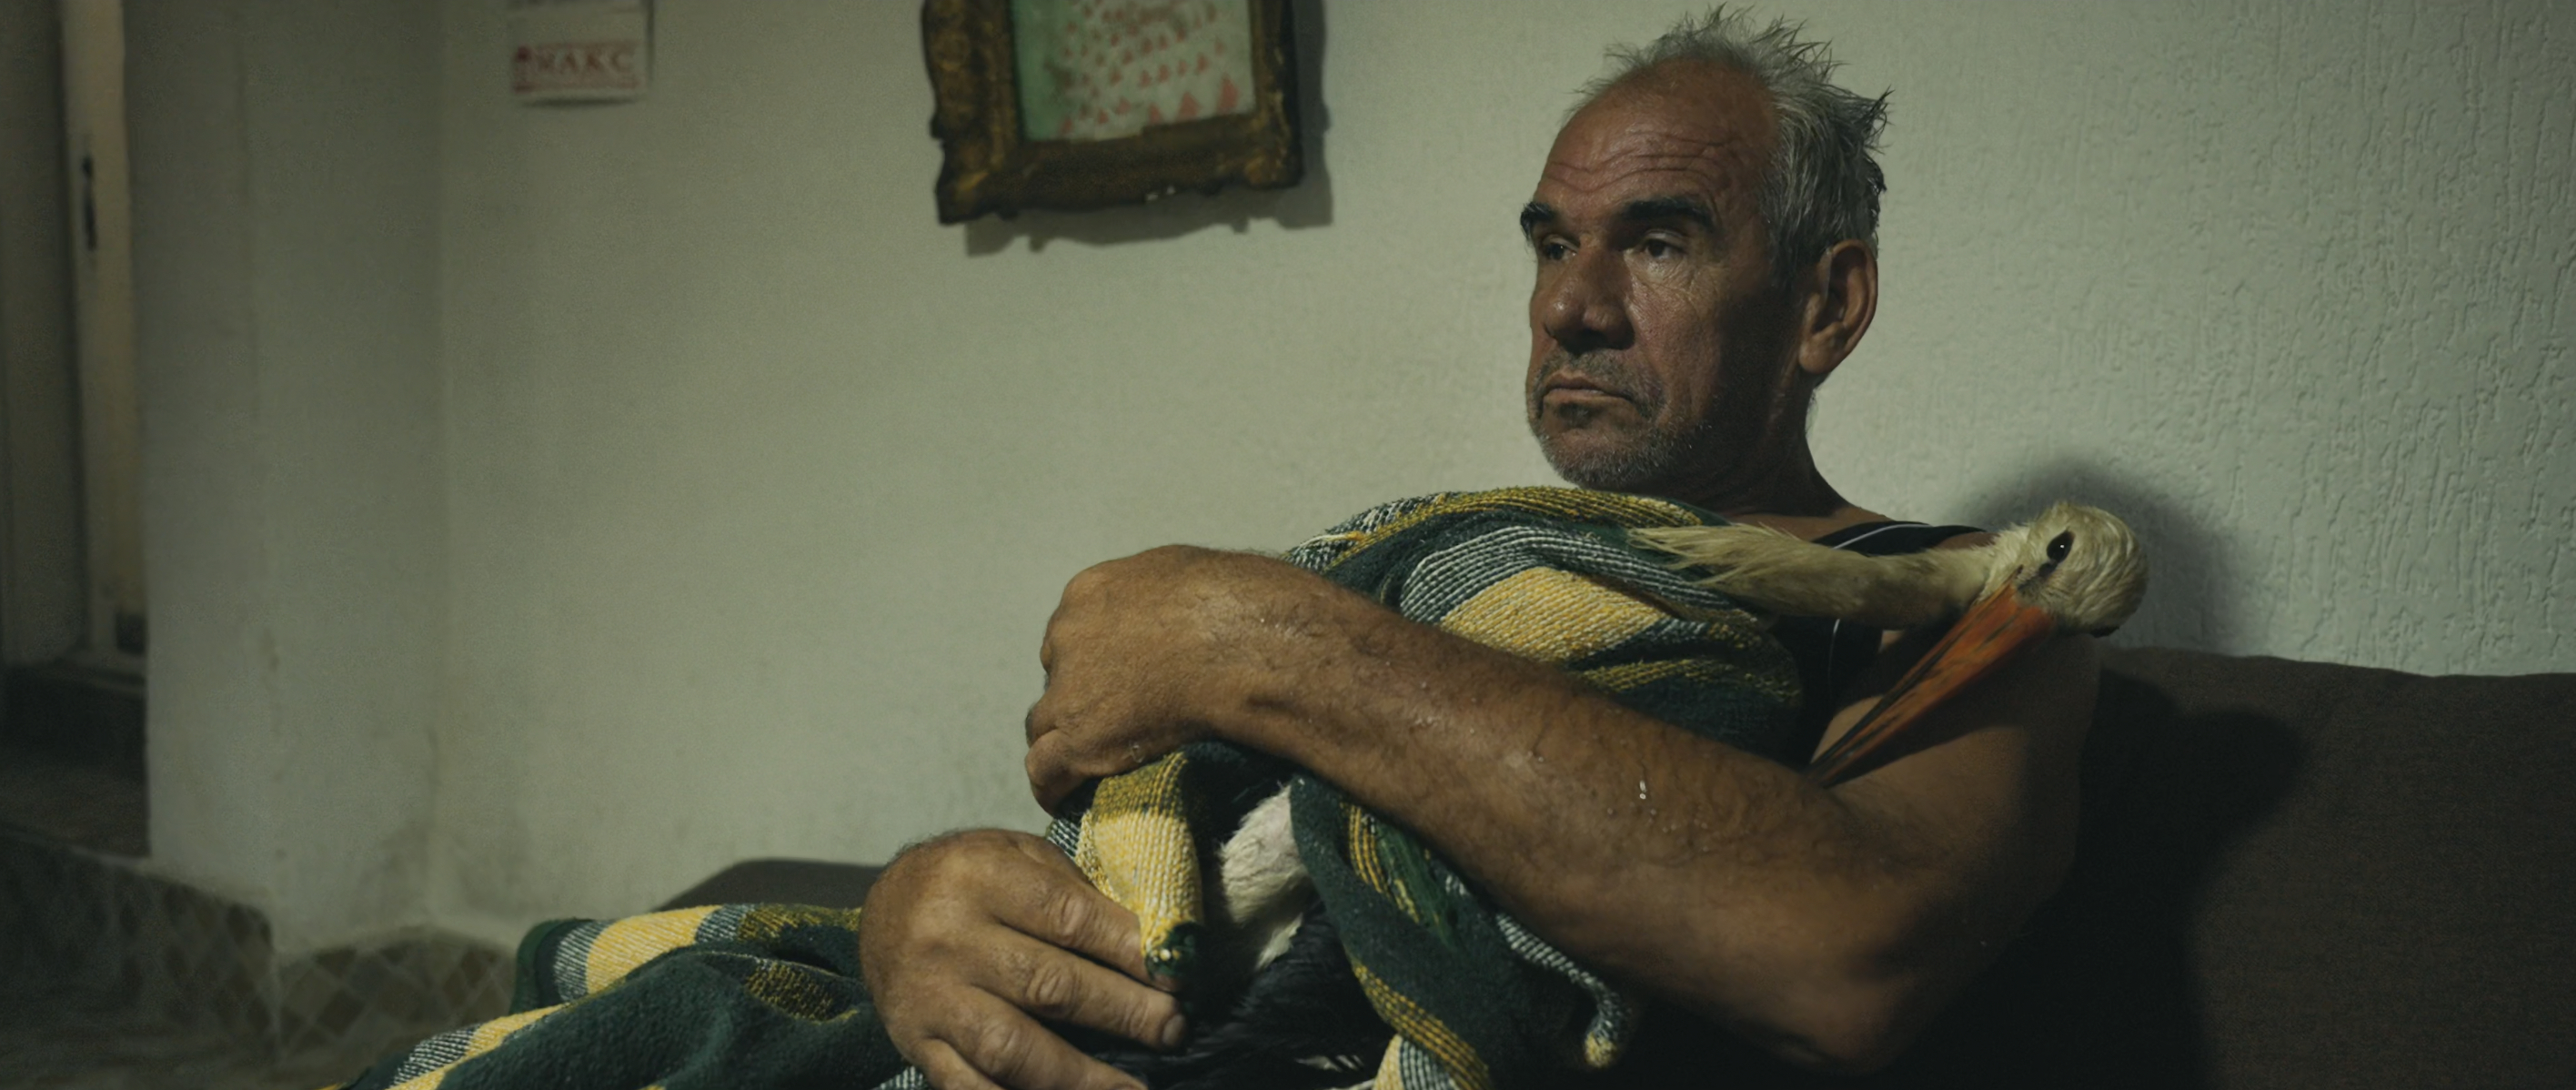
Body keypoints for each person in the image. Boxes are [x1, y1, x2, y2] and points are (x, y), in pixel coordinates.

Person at [860, 12, 2100, 1090]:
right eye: (1553, 244)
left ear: (1826, 305)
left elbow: (1851, 952)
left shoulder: (1945, 605)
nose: (1570, 306)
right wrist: (921, 918)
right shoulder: (1455, 566)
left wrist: (1260, 643)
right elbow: (1208, 859)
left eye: (1657, 242)